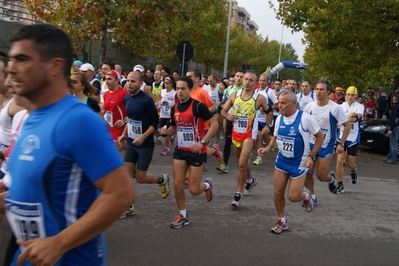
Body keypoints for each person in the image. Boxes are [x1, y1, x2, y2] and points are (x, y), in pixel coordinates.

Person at [4, 23, 135, 266]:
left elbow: (121, 193)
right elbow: (48, 185)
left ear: (54, 66)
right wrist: (9, 200)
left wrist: (59, 243)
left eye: (22, 59)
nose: (11, 69)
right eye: (11, 60)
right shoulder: (32, 117)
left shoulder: (78, 120)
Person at [258, 90, 323, 234]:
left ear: (293, 104)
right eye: (279, 102)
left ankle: (305, 195)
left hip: (299, 163)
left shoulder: (305, 118)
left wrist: (311, 156)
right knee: (277, 193)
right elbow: (276, 137)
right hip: (281, 161)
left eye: (283, 103)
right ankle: (282, 221)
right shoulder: (279, 118)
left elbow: (320, 136)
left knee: (293, 197)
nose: (279, 106)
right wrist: (268, 148)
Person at [160, 76, 218, 229]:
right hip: (180, 150)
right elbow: (174, 128)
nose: (179, 91)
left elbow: (214, 125)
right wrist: (166, 132)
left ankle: (206, 185)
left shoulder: (198, 106)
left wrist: (202, 142)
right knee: (178, 184)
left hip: (196, 151)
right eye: (178, 88)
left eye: (183, 88)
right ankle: (183, 215)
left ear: (190, 90)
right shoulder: (175, 108)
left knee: (193, 190)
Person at [118, 71, 170, 218]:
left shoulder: (146, 100)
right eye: (128, 81)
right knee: (126, 175)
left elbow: (155, 122)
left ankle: (162, 179)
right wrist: (123, 133)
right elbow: (133, 117)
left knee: (140, 178)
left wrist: (144, 136)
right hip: (131, 141)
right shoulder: (126, 98)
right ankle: (128, 206)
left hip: (145, 143)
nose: (129, 84)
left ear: (141, 83)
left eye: (133, 81)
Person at [221, 71, 274, 208]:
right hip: (236, 134)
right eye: (246, 79)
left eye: (251, 80)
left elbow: (269, 112)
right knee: (241, 164)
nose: (247, 82)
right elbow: (223, 110)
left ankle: (238, 195)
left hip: (249, 136)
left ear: (255, 83)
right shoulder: (234, 95)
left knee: (242, 163)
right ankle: (250, 180)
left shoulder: (259, 98)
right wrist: (227, 116)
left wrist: (268, 126)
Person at [303, 79, 350, 202]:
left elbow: (347, 126)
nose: (318, 92)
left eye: (322, 89)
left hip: (326, 145)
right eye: (317, 89)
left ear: (328, 92)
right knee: (307, 173)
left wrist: (341, 143)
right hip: (311, 144)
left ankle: (331, 179)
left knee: (321, 176)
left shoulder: (335, 108)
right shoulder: (309, 107)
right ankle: (311, 197)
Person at [335, 86, 364, 192]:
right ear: (345, 95)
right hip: (342, 137)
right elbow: (338, 120)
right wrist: (348, 116)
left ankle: (353, 170)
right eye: (348, 94)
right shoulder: (340, 106)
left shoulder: (359, 106)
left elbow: (356, 119)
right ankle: (340, 184)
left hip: (353, 137)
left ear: (356, 96)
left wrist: (343, 119)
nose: (350, 97)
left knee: (350, 163)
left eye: (352, 95)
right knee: (339, 160)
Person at [217, 70, 245, 173]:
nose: (238, 78)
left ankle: (243, 163)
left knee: (242, 142)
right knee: (227, 140)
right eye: (237, 76)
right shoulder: (228, 89)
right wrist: (225, 112)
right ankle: (225, 164)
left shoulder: (246, 90)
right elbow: (225, 103)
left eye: (241, 76)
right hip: (230, 118)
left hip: (243, 120)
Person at [253, 74, 278, 166]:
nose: (262, 82)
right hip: (257, 119)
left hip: (266, 119)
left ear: (267, 82)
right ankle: (258, 157)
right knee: (258, 136)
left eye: (264, 80)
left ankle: (274, 142)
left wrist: (266, 107)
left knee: (266, 138)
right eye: (260, 80)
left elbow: (277, 104)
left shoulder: (270, 92)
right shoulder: (255, 91)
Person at [102, 69, 128, 144]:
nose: (107, 81)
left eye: (109, 79)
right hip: (109, 128)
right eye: (106, 79)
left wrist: (124, 121)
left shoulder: (124, 94)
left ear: (117, 80)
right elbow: (105, 111)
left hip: (121, 130)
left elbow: (133, 113)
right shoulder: (106, 94)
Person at [159, 76, 177, 156]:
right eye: (164, 83)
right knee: (162, 131)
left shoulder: (174, 93)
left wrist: (171, 106)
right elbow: (160, 100)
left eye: (167, 83)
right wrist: (159, 105)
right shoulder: (162, 91)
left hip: (170, 115)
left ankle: (167, 148)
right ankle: (172, 135)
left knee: (165, 131)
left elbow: (177, 103)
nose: (165, 85)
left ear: (171, 84)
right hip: (163, 114)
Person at [384, 95, 399, 164]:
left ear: (394, 100)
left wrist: (391, 128)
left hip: (395, 127)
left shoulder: (396, 107)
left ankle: (393, 158)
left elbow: (395, 119)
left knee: (393, 143)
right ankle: (390, 156)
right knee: (392, 142)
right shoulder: (395, 107)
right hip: (395, 126)